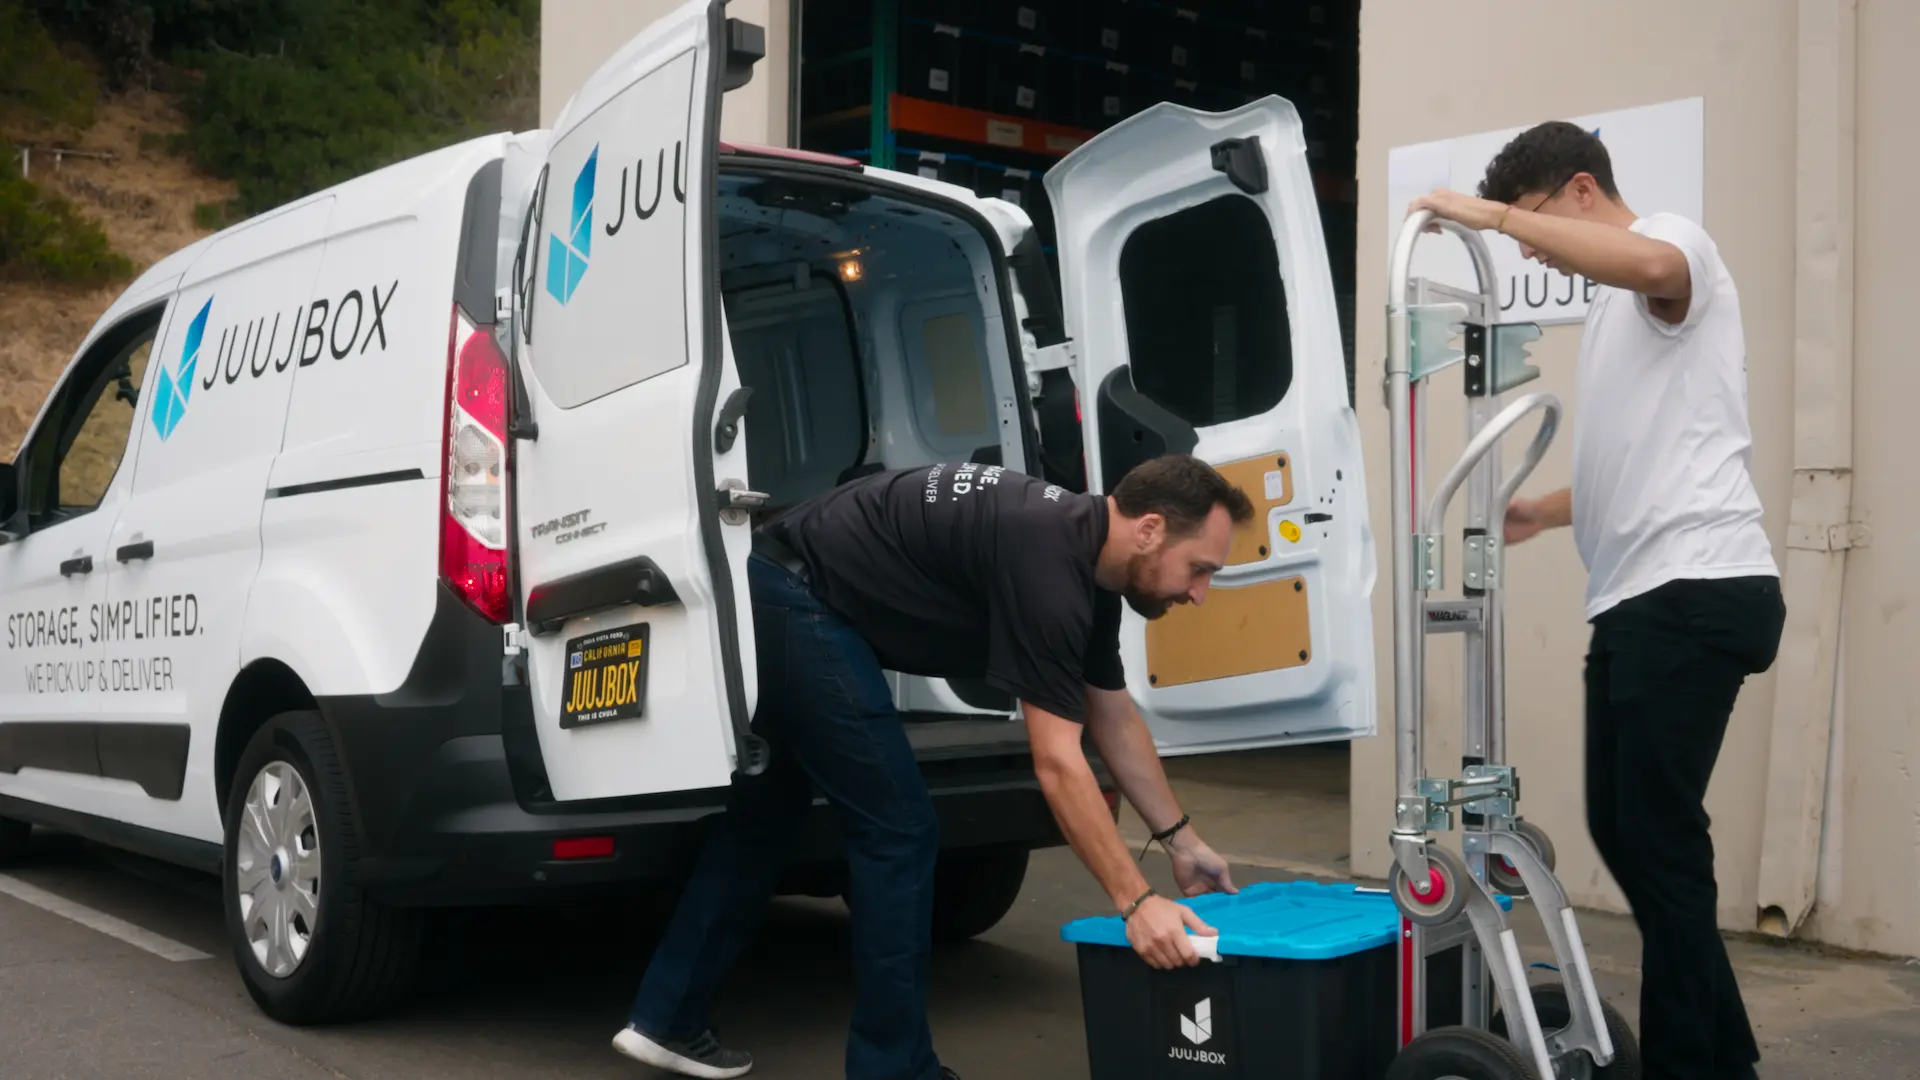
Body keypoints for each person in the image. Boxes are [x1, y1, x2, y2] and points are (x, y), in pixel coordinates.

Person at [612, 453, 1253, 1080]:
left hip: (784, 586)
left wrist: (1181, 840)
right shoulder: (1049, 562)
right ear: (1149, 530)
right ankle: (892, 1067)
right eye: (1199, 569)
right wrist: (1135, 902)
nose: (1200, 594)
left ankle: (665, 1017)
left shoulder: (1085, 571)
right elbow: (1058, 763)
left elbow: (1113, 719)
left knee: (765, 821)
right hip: (794, 595)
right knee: (899, 831)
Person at [1409, 121, 1785, 1080]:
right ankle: (1724, 1061)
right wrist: (1546, 508)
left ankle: (1690, 1069)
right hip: (1639, 600)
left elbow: (1653, 260)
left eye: (1532, 226)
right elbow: (1660, 453)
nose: (1531, 251)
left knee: (1659, 841)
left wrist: (1484, 215)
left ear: (1582, 190)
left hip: (1694, 590)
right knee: (1626, 832)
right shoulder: (1623, 311)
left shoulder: (1672, 245)